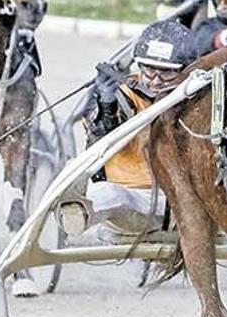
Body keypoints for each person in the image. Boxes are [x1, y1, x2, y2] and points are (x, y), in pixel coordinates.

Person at [58, 20, 196, 241]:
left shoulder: (195, 98)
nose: (156, 81)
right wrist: (106, 104)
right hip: (129, 197)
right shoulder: (122, 94)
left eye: (167, 73)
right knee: (104, 192)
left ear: (187, 69)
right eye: (149, 70)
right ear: (138, 66)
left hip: (177, 203)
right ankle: (77, 211)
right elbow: (98, 145)